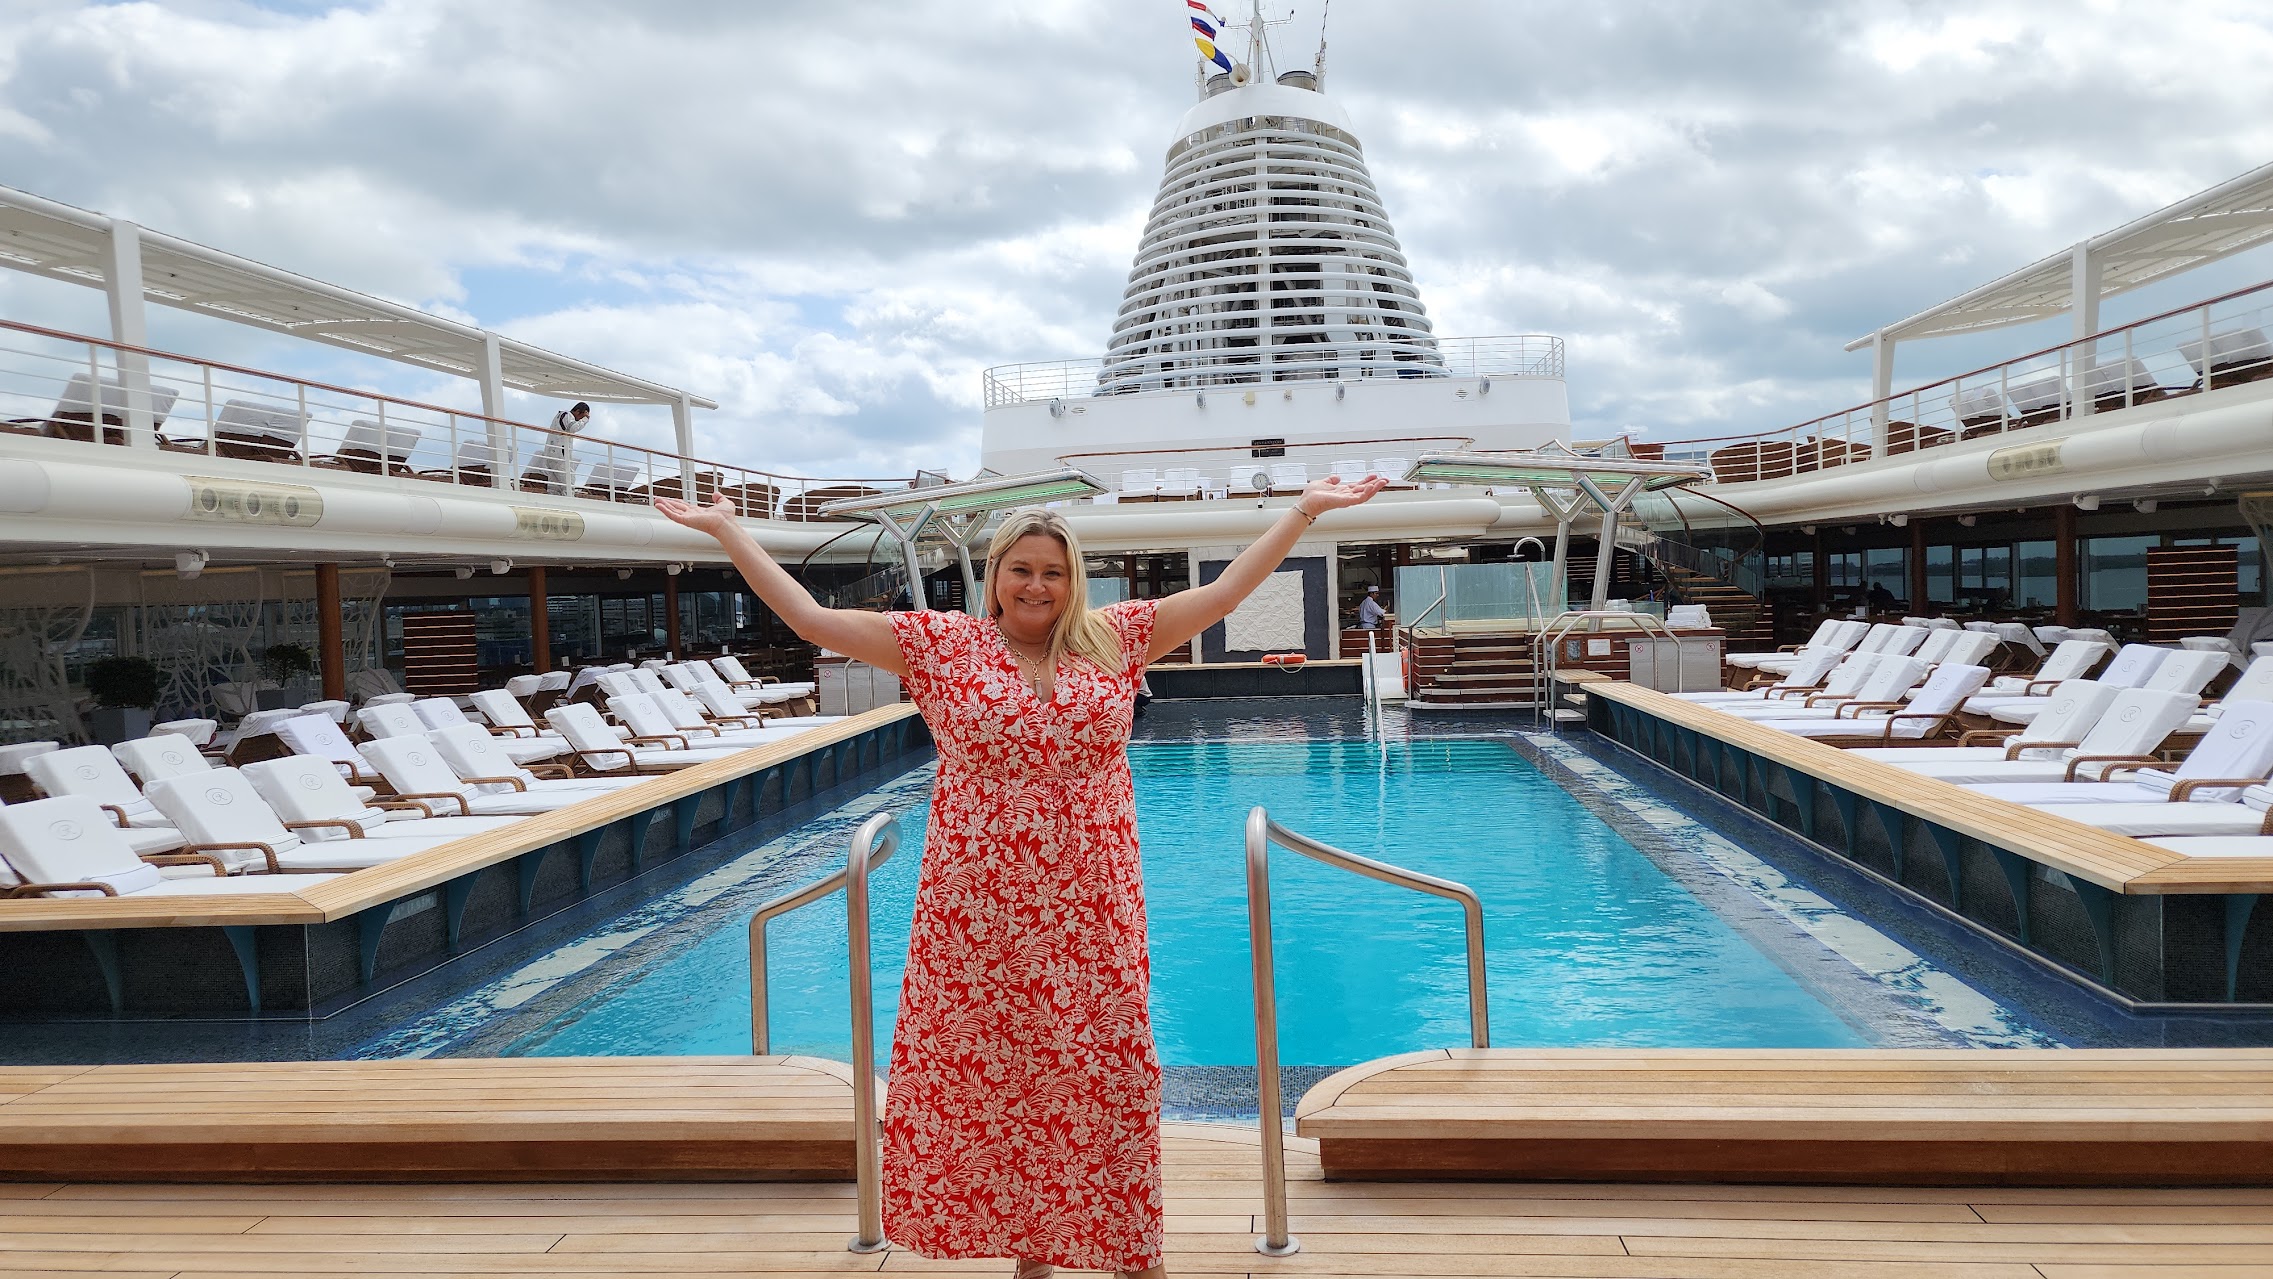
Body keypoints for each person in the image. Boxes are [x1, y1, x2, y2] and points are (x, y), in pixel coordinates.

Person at [656, 472, 1386, 1279]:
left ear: (1074, 579)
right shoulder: (940, 644)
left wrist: (1304, 511)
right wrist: (728, 531)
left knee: (1105, 1069)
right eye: (1022, 568)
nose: (1038, 585)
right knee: (999, 1072)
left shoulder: (1114, 636)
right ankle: (1031, 1251)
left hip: (1091, 901)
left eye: (1055, 570)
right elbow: (809, 617)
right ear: (995, 574)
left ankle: (1129, 1252)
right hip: (976, 910)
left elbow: (1221, 592)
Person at [531, 401, 590, 494]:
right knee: (569, 479)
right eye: (581, 417)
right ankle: (569, 501)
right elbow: (573, 428)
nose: (579, 420)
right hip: (559, 454)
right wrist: (585, 420)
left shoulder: (560, 416)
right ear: (578, 411)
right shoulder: (568, 415)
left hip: (551, 453)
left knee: (554, 484)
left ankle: (554, 501)